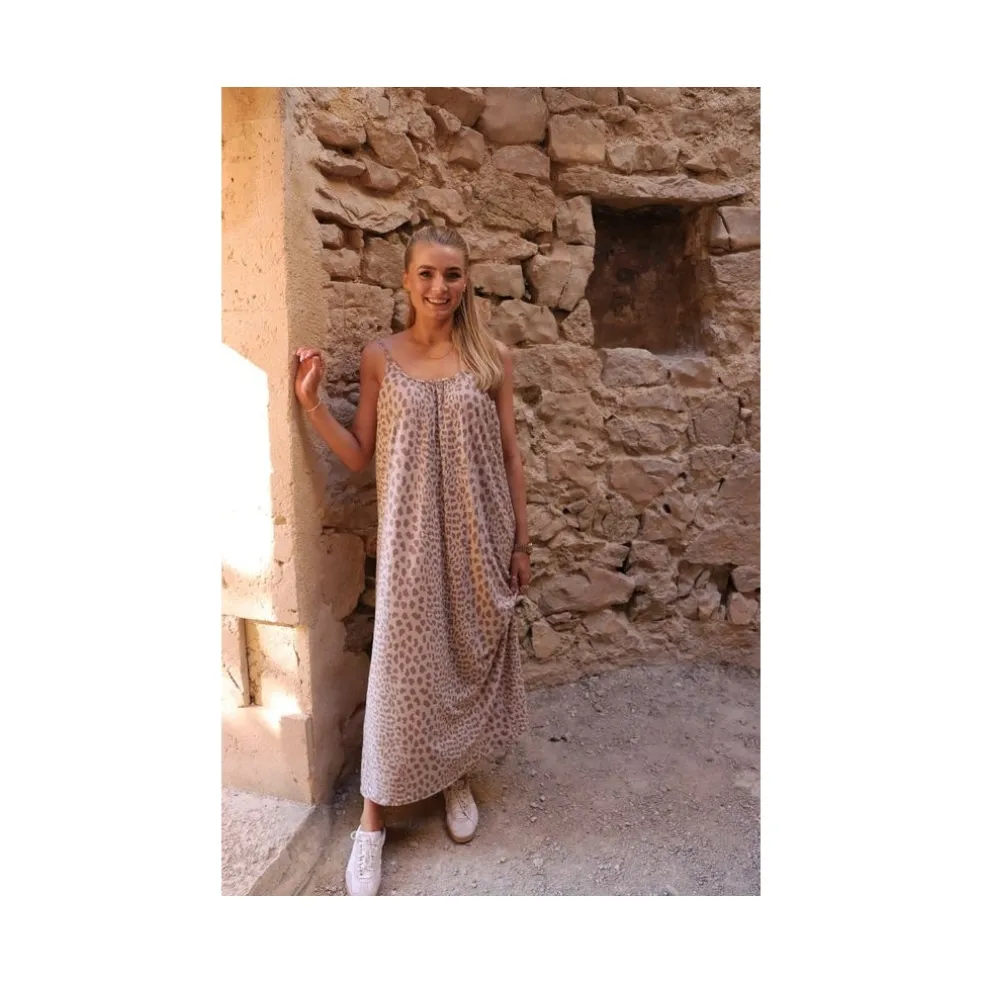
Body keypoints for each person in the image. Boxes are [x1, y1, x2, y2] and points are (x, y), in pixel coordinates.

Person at [294, 225, 532, 896]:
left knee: (463, 657)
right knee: (400, 671)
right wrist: (312, 405)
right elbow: (357, 455)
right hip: (409, 542)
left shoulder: (491, 358)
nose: (439, 286)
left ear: (466, 281)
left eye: (452, 274)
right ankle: (371, 822)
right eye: (426, 273)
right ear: (405, 279)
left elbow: (510, 455)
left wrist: (521, 542)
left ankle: (453, 775)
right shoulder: (380, 358)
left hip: (479, 534)